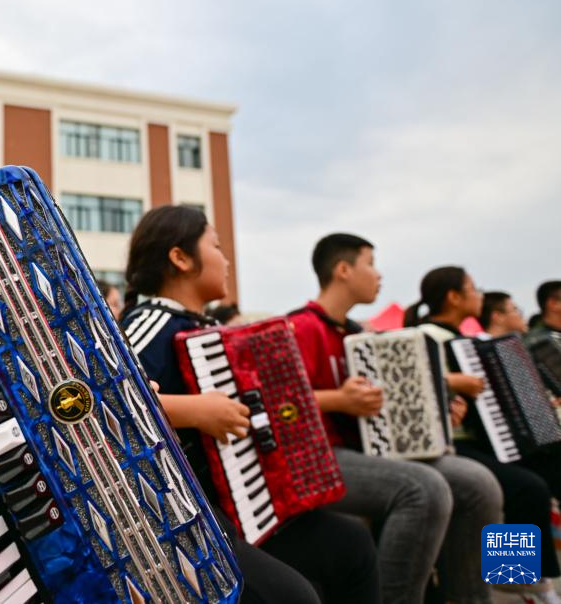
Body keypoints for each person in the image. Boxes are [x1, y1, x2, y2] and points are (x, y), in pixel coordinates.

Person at [121, 207, 381, 604]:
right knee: (296, 597)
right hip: (180, 514)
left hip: (239, 505)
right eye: (216, 246)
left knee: (352, 544)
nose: (225, 260)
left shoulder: (207, 329)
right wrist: (196, 410)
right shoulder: (149, 322)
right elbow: (109, 402)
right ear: (180, 258)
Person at [291, 235, 502, 604]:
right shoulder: (303, 327)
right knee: (474, 486)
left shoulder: (361, 334)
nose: (380, 274)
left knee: (489, 483)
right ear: (343, 270)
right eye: (371, 263)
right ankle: (528, 581)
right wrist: (340, 400)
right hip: (325, 454)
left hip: (383, 449)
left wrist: (438, 414)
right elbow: (281, 404)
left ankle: (485, 592)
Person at [405, 267, 559, 604]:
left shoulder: (461, 338)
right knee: (524, 486)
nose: (479, 295)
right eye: (473, 289)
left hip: (478, 440)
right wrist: (452, 384)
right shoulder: (426, 336)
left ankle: (534, 577)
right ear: (454, 297)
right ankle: (514, 576)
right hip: (451, 442)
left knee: (549, 462)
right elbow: (413, 386)